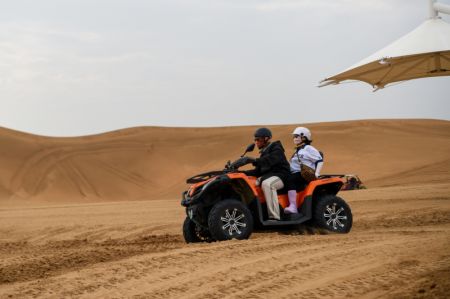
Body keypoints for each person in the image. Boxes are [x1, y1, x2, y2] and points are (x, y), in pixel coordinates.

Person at [243, 127, 291, 221]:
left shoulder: (276, 148)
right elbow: (257, 171)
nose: (256, 142)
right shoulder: (264, 153)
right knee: (253, 183)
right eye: (255, 139)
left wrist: (254, 160)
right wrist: (241, 173)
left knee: (267, 184)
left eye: (258, 139)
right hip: (270, 176)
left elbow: (271, 160)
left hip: (282, 176)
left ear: (266, 139)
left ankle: (275, 217)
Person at [284, 127, 324, 214]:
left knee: (290, 180)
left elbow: (319, 160)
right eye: (294, 136)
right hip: (295, 173)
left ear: (304, 137)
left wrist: (316, 173)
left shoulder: (308, 148)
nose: (294, 138)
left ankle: (293, 206)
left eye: (296, 136)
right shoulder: (298, 150)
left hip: (303, 174)